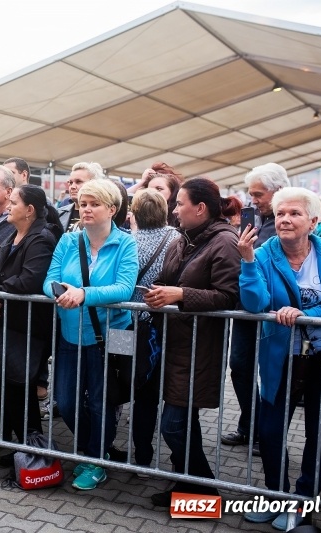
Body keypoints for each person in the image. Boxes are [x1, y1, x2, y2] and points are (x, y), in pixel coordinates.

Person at [238, 187, 321, 529]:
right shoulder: (263, 254)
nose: (285, 219)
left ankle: (305, 503)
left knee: (320, 432)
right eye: (280, 214)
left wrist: (308, 313)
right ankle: (277, 496)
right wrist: (248, 261)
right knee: (270, 430)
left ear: (312, 221)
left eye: (294, 213)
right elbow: (254, 303)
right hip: (282, 357)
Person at [143, 177, 240, 507]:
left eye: (180, 203)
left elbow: (228, 295)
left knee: (173, 425)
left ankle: (205, 489)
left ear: (200, 208)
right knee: (183, 424)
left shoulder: (225, 242)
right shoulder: (183, 239)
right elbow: (168, 278)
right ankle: (188, 488)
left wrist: (181, 294)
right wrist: (157, 291)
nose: (174, 208)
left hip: (200, 349)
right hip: (174, 344)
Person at [44, 179, 138, 490]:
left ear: (112, 209)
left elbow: (124, 288)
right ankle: (96, 450)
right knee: (68, 402)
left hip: (116, 332)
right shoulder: (69, 241)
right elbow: (49, 281)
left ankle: (96, 459)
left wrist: (83, 293)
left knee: (104, 401)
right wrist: (60, 293)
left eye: (94, 204)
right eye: (83, 203)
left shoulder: (126, 243)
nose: (86, 209)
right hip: (71, 332)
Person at [223, 163, 291, 453]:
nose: (254, 200)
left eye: (259, 194)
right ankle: (250, 425)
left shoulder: (288, 219)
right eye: (251, 194)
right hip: (248, 310)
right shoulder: (256, 219)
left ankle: (269, 434)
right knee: (239, 367)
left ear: (278, 191)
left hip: (279, 314)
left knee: (276, 374)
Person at [0, 185, 61, 447]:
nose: (8, 204)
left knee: (21, 389)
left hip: (29, 326)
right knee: (7, 387)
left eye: (14, 201)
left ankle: (32, 449)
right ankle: (16, 447)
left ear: (29, 210)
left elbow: (31, 278)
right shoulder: (13, 235)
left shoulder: (41, 238)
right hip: (10, 323)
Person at [127, 189, 181, 472]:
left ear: (134, 214)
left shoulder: (127, 243)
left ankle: (142, 455)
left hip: (131, 325)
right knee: (168, 392)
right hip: (165, 327)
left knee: (141, 394)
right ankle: (175, 457)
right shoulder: (177, 241)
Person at [128, 162, 183, 227]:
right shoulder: (139, 215)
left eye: (159, 189)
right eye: (149, 189)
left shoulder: (180, 216)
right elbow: (121, 199)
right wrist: (142, 182)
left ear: (172, 192)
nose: (153, 192)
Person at [57, 161, 106, 232]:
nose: (72, 187)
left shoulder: (105, 214)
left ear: (94, 183)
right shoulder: (59, 214)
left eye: (78, 182)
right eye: (70, 183)